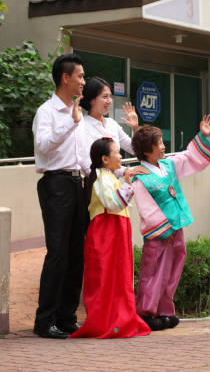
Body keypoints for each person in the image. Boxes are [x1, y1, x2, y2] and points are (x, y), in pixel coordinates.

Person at [131, 115, 210, 331]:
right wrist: (162, 228)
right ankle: (146, 312)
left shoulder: (168, 165)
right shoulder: (140, 176)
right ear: (147, 150)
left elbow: (188, 157)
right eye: (158, 143)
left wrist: (202, 136)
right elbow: (145, 206)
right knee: (153, 272)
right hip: (159, 233)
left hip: (176, 228)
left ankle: (164, 310)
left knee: (172, 270)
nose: (163, 146)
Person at [70, 138, 150, 339]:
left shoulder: (107, 177)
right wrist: (129, 186)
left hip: (112, 231)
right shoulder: (103, 179)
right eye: (117, 152)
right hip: (108, 233)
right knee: (108, 276)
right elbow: (113, 203)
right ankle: (110, 321)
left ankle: (116, 319)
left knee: (115, 276)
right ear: (105, 159)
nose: (121, 156)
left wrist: (126, 184)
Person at [32, 53, 87, 339]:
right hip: (55, 184)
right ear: (65, 78)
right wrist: (71, 124)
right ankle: (45, 320)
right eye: (79, 76)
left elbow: (81, 157)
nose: (83, 82)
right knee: (58, 253)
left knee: (77, 254)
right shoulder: (48, 112)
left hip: (78, 185)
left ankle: (67, 317)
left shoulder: (77, 112)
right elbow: (43, 147)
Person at [80, 76, 147, 180]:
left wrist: (135, 128)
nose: (109, 101)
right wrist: (125, 170)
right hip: (97, 188)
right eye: (105, 97)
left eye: (110, 96)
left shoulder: (112, 124)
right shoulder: (82, 126)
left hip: (115, 187)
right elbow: (88, 167)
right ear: (92, 99)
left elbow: (135, 150)